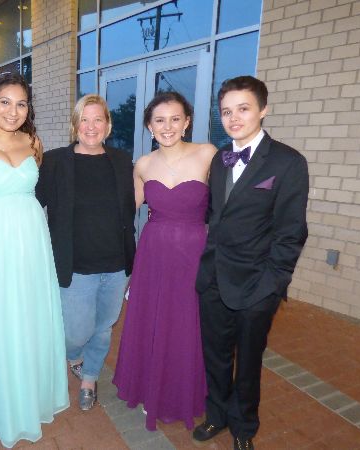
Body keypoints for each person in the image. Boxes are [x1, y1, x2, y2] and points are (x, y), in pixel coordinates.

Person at [192, 76, 308, 450]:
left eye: (243, 109)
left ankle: (244, 427)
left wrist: (271, 287)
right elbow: (215, 217)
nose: (234, 118)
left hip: (257, 284)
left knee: (249, 364)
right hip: (214, 279)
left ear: (263, 110)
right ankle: (218, 414)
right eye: (226, 111)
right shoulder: (219, 161)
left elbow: (291, 233)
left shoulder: (288, 162)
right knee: (215, 356)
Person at [0, 72, 69, 448]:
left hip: (31, 243)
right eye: (5, 101)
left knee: (29, 316)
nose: (13, 110)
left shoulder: (34, 141)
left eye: (21, 103)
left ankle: (31, 396)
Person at [112, 92, 216, 431]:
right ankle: (150, 389)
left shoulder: (208, 155)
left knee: (187, 323)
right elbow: (125, 211)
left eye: (175, 119)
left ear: (187, 122)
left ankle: (181, 392)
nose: (167, 126)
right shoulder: (142, 164)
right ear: (149, 126)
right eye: (159, 120)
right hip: (154, 256)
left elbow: (230, 206)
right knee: (154, 322)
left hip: (194, 254)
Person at [35, 94, 136, 411]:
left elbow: (130, 210)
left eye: (98, 119)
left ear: (108, 125)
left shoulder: (120, 161)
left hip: (115, 265)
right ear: (75, 124)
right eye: (84, 119)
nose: (91, 126)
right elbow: (30, 203)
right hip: (75, 267)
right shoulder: (54, 162)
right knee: (76, 331)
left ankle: (90, 377)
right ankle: (74, 357)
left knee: (104, 327)